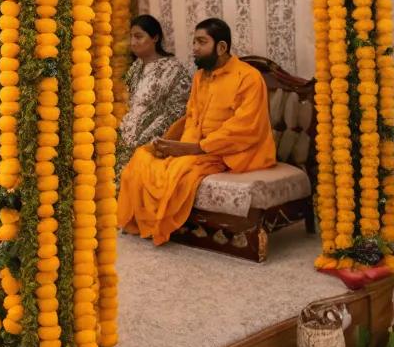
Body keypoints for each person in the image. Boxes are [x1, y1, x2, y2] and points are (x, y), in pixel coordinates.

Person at [117, 17, 276, 246]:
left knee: (180, 168)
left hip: (234, 153)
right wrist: (178, 147)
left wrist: (195, 149)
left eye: (201, 42)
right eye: (194, 42)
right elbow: (192, 119)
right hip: (198, 149)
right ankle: (142, 222)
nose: (194, 48)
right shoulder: (201, 76)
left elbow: (244, 128)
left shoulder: (249, 78)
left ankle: (158, 224)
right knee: (143, 155)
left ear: (221, 47)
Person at [116, 15, 190, 175]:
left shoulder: (173, 70)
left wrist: (142, 142)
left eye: (138, 36)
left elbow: (176, 113)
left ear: (155, 37)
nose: (133, 42)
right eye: (131, 37)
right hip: (120, 146)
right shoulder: (133, 69)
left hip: (151, 148)